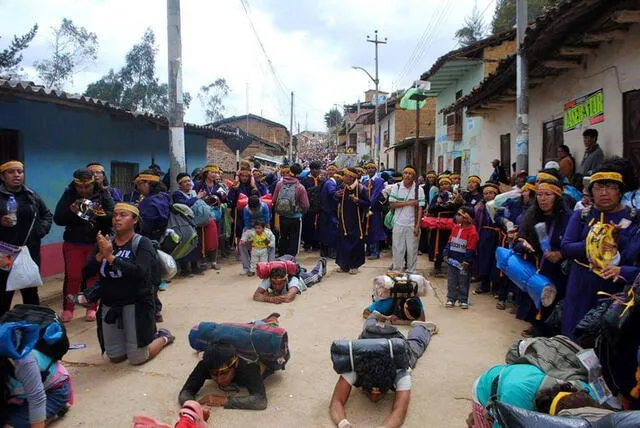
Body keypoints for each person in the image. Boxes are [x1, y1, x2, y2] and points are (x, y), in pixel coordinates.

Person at [83, 203, 174, 365]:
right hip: (110, 303)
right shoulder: (105, 243)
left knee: (138, 358)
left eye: (123, 215)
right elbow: (86, 272)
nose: (117, 218)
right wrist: (100, 255)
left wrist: (111, 257)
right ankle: (128, 339)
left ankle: (164, 337)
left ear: (134, 220)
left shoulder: (142, 243)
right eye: (115, 215)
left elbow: (140, 273)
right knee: (116, 358)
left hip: (135, 303)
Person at [561, 160, 640, 339]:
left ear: (620, 191)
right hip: (581, 282)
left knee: (608, 340)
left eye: (610, 187)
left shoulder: (634, 218)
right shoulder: (582, 215)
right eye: (598, 188)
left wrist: (615, 244)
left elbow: (632, 256)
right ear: (591, 192)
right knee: (575, 333)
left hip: (615, 286)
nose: (604, 193)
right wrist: (596, 242)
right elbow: (566, 247)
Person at [329, 314, 437, 428]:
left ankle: (420, 328)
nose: (374, 398)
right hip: (370, 335)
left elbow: (400, 412)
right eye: (369, 392)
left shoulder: (401, 372)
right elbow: (336, 401)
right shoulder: (355, 367)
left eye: (380, 393)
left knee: (415, 345)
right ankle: (373, 318)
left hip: (395, 338)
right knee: (369, 330)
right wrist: (343, 424)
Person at [54, 168, 114, 323]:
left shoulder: (103, 195)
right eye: (80, 187)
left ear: (93, 184)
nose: (84, 190)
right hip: (73, 242)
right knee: (73, 276)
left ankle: (92, 307)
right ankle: (68, 308)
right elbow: (58, 219)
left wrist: (99, 213)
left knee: (92, 276)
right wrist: (71, 212)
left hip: (95, 243)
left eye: (87, 187)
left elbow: (112, 216)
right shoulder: (69, 195)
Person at [513, 178, 571, 336]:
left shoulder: (568, 219)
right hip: (537, 265)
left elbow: (573, 244)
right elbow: (519, 240)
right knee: (535, 299)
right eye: (539, 194)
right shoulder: (532, 216)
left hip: (557, 269)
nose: (543, 198)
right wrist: (524, 245)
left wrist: (560, 254)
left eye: (548, 194)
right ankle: (537, 325)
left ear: (557, 197)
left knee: (553, 300)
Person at [0, 160, 52, 316]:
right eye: (11, 172)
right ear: (3, 177)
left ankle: (34, 325)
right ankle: (3, 327)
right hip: (6, 252)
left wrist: (40, 231)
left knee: (30, 291)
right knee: (4, 291)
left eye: (20, 171)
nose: (17, 175)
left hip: (29, 250)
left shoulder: (32, 195)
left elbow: (47, 215)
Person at [470, 365, 595, 428]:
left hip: (519, 376)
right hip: (486, 388)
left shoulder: (586, 391)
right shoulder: (516, 402)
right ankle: (476, 419)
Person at [0, 336, 73, 427]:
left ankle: (55, 412)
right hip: (20, 396)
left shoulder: (22, 358)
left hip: (52, 391)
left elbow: (37, 399)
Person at [178, 341, 269, 410]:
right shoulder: (205, 365)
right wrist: (194, 407)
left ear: (236, 364)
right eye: (214, 374)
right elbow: (186, 392)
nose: (219, 380)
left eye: (224, 374)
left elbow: (260, 401)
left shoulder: (248, 368)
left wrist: (223, 400)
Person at [136, 171, 170, 318]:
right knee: (152, 277)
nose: (138, 188)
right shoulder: (163, 197)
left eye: (140, 185)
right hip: (158, 241)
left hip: (148, 242)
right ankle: (155, 308)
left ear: (147, 183)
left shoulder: (151, 202)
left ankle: (153, 309)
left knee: (146, 278)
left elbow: (145, 225)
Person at [388, 166, 424, 274]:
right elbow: (393, 204)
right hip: (399, 223)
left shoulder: (419, 189)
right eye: (405, 173)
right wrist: (410, 203)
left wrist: (417, 226)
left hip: (412, 224)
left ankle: (411, 271)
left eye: (410, 174)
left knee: (412, 250)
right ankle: (397, 271)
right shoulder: (396, 187)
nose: (407, 175)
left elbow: (420, 208)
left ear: (414, 176)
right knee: (397, 249)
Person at [335, 168, 370, 274]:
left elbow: (368, 204)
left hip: (357, 221)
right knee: (343, 242)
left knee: (356, 243)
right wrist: (336, 195)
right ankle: (344, 265)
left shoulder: (361, 189)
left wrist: (358, 201)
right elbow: (337, 198)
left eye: (345, 175)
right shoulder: (342, 187)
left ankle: (355, 266)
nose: (343, 177)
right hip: (344, 221)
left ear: (351, 177)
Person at [443, 207, 478, 309]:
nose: (456, 216)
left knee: (463, 280)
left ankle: (463, 299)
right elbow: (450, 241)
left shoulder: (472, 232)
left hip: (463, 261)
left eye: (459, 215)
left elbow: (470, 247)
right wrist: (446, 253)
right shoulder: (455, 228)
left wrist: (467, 260)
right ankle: (451, 299)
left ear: (466, 218)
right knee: (452, 280)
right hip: (452, 259)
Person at [252, 256, 327, 304]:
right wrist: (271, 299)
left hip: (302, 279)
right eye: (274, 283)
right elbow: (256, 296)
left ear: (285, 280)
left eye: (280, 283)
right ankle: (301, 269)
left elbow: (289, 298)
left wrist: (266, 297)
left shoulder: (293, 280)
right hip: (294, 274)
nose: (277, 286)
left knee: (316, 276)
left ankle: (321, 262)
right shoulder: (269, 279)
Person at [172, 173, 205, 277]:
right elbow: (184, 205)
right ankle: (184, 269)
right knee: (185, 244)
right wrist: (198, 198)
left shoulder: (194, 192)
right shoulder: (177, 194)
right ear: (180, 185)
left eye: (189, 181)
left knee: (195, 244)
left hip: (195, 222)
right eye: (185, 182)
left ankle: (195, 267)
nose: (188, 183)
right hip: (183, 223)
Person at [273, 163, 309, 257]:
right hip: (295, 217)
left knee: (283, 236)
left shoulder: (279, 183)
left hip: (282, 216)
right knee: (295, 238)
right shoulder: (300, 187)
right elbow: (305, 205)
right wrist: (302, 212)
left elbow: (274, 200)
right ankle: (291, 258)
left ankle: (281, 255)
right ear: (299, 173)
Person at [473, 182, 503, 295]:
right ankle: (484, 284)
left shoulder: (501, 206)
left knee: (496, 260)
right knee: (484, 259)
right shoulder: (479, 207)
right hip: (484, 233)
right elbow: (475, 221)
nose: (488, 195)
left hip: (497, 234)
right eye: (486, 193)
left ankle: (495, 286)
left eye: (491, 193)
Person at [428, 174, 460, 276]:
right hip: (439, 225)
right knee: (437, 245)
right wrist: (438, 204)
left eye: (446, 184)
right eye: (442, 185)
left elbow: (458, 209)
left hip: (451, 224)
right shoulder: (437, 196)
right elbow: (431, 209)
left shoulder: (455, 196)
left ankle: (451, 267)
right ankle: (437, 266)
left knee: (451, 244)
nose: (444, 186)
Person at [363, 162, 387, 260]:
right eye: (368, 168)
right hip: (366, 209)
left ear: (376, 169)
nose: (370, 170)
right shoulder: (365, 182)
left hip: (375, 209)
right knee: (366, 229)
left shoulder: (379, 181)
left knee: (375, 229)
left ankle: (375, 252)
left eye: (372, 168)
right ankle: (368, 250)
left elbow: (376, 194)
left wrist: (369, 204)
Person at [300, 161, 323, 251]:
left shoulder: (321, 180)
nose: (318, 171)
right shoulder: (305, 180)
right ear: (311, 169)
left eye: (319, 169)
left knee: (318, 225)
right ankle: (307, 243)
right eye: (316, 169)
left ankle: (316, 243)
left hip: (319, 207)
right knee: (308, 225)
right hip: (309, 206)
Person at [319, 168, 340, 259]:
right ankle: (331, 252)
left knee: (325, 232)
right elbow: (332, 193)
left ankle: (324, 252)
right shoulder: (331, 183)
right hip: (330, 212)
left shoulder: (328, 182)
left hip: (326, 211)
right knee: (332, 232)